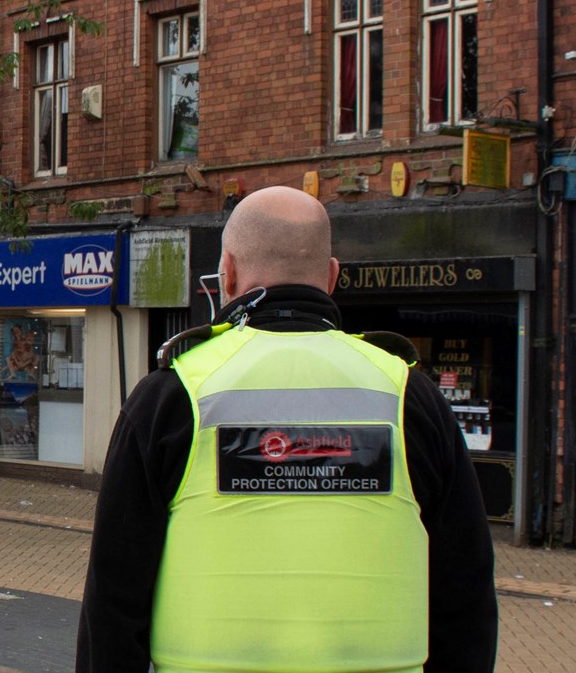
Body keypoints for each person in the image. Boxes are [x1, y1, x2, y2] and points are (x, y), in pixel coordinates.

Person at [77, 187, 498, 672]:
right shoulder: (410, 396)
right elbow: (466, 596)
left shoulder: (171, 396)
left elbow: (113, 600)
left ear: (227, 272)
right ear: (333, 277)